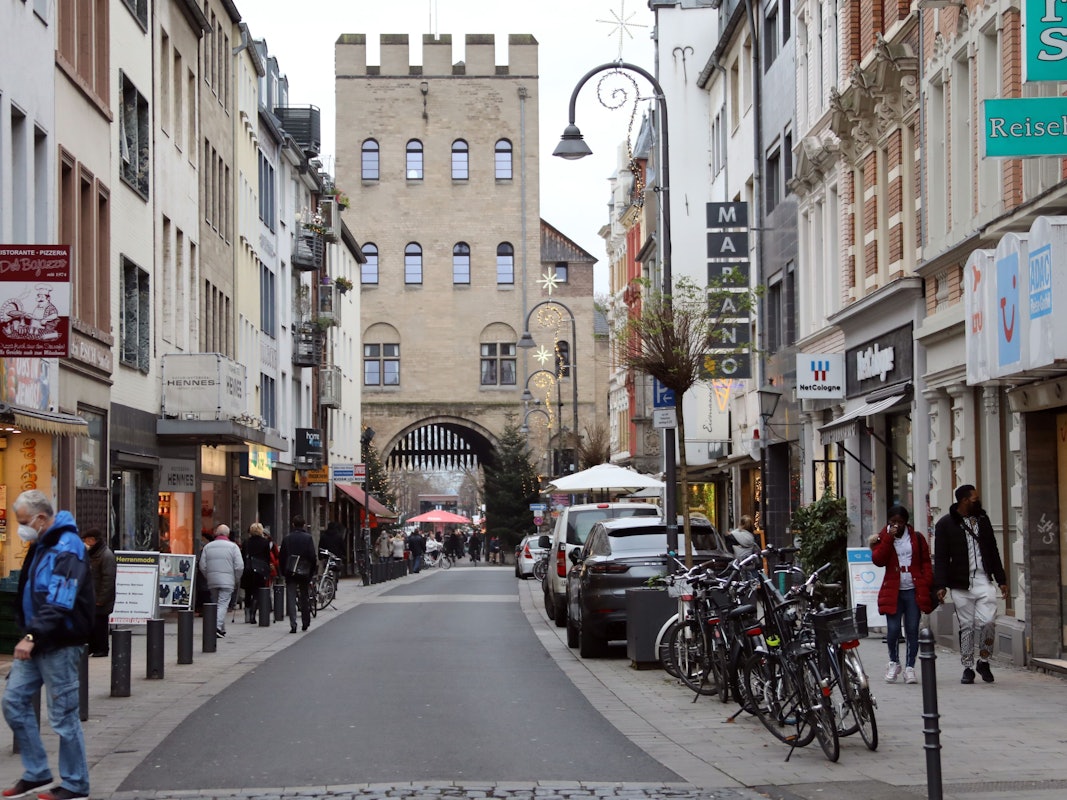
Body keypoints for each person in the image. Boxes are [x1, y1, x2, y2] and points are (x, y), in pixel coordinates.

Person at [3, 490, 94, 800]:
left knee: (63, 717)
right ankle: (37, 771)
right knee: (13, 701)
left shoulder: (67, 548)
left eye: (24, 522)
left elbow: (60, 599)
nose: (21, 528)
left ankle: (75, 783)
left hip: (58, 642)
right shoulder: (43, 543)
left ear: (41, 518)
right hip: (38, 639)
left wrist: (31, 636)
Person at [934, 484, 1009, 684]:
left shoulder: (983, 521)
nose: (978, 501)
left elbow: (993, 550)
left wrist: (1001, 579)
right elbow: (940, 558)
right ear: (964, 500)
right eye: (974, 499)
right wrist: (940, 585)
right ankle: (967, 666)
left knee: (988, 622)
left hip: (984, 579)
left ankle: (984, 660)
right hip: (960, 584)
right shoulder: (945, 524)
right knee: (966, 626)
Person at [870, 505, 935, 685]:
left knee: (912, 629)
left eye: (900, 522)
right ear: (888, 522)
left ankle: (909, 667)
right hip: (893, 590)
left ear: (906, 522)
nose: (896, 525)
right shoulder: (883, 537)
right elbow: (878, 560)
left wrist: (926, 580)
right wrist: (888, 539)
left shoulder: (917, 537)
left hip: (913, 589)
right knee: (892, 630)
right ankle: (894, 663)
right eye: (893, 522)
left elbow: (925, 561)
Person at [198, 523, 243, 638]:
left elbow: (202, 565)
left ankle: (221, 628)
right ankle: (217, 627)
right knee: (223, 604)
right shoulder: (233, 547)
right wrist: (236, 578)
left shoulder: (208, 547)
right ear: (227, 534)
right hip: (228, 580)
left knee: (217, 603)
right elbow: (239, 566)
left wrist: (208, 576)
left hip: (213, 581)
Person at [80, 527, 115, 657]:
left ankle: (101, 649)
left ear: (94, 540)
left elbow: (108, 578)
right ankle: (91, 647)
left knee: (100, 625)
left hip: (100, 597)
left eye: (87, 540)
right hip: (91, 596)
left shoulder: (105, 555)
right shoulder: (91, 554)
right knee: (91, 624)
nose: (85, 542)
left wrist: (102, 598)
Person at [280, 515, 317, 633]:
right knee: (304, 596)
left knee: (290, 597)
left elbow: (282, 557)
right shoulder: (308, 538)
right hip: (304, 572)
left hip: (290, 572)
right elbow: (312, 556)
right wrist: (311, 571)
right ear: (304, 525)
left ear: (293, 525)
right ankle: (305, 622)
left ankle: (293, 624)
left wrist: (283, 572)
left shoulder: (287, 538)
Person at [241, 523, 273, 623]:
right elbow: (267, 558)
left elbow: (243, 556)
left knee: (248, 592)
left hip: (248, 569)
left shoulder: (246, 542)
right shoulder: (264, 542)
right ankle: (253, 614)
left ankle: (247, 615)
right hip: (259, 570)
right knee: (257, 593)